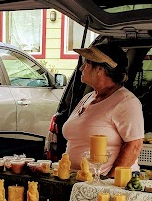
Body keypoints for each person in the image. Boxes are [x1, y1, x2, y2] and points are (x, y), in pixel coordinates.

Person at [62, 42, 145, 175]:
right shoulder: (88, 97)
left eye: (86, 63)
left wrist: (109, 181)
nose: (81, 68)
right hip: (79, 179)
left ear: (100, 69)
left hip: (105, 181)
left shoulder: (126, 102)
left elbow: (134, 146)